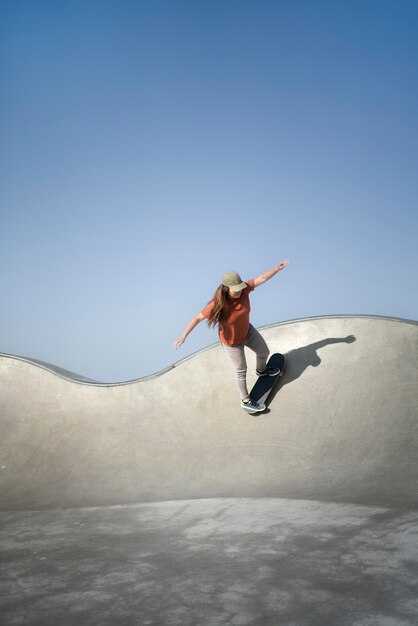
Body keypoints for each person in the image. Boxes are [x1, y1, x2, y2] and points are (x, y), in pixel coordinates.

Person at [173, 260, 289, 413]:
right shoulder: (217, 304)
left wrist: (276, 269)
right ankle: (245, 400)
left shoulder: (245, 289)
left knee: (264, 352)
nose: (239, 292)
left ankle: (261, 370)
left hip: (248, 332)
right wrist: (183, 336)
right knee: (241, 370)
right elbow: (197, 318)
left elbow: (262, 278)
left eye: (239, 288)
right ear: (226, 288)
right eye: (235, 290)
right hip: (231, 342)